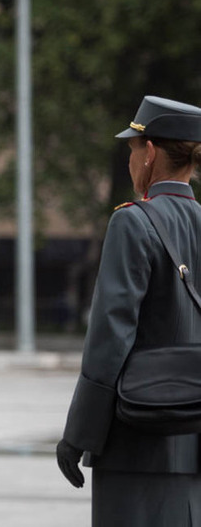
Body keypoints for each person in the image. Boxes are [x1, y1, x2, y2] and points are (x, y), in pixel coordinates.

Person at [57, 96, 201, 526]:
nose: (130, 161)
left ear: (151, 152)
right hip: (193, 446)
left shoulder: (132, 222)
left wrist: (78, 434)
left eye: (133, 150)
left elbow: (109, 338)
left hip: (136, 441)